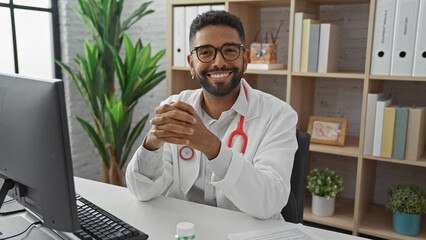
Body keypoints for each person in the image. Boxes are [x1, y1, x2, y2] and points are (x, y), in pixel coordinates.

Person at [126, 10, 298, 220]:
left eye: (229, 50)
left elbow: (269, 203)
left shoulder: (278, 115)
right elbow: (141, 192)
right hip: (186, 230)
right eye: (206, 52)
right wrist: (151, 145)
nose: (218, 62)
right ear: (191, 63)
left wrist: (212, 147)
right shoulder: (174, 108)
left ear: (245, 58)